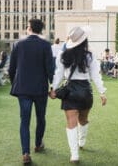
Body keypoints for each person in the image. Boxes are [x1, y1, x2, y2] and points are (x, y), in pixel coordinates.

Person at [50, 26, 107, 164]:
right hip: (86, 91)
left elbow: (58, 75)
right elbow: (95, 76)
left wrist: (53, 88)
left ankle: (74, 155)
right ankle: (81, 142)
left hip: (70, 91)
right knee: (83, 119)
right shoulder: (90, 56)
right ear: (84, 40)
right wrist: (102, 92)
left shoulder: (63, 55)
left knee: (71, 123)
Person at [9, 18, 54, 164]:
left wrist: (14, 83)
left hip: (22, 88)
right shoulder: (46, 45)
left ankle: (26, 153)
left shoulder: (18, 44)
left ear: (29, 28)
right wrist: (53, 86)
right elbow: (50, 69)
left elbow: (11, 68)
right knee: (41, 118)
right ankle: (38, 144)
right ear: (41, 30)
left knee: (24, 120)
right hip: (40, 88)